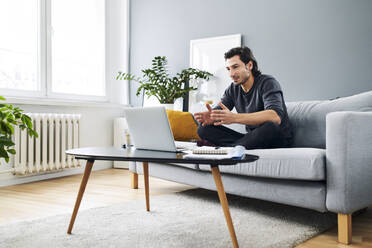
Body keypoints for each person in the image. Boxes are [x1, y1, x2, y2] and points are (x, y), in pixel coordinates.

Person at [194, 46, 292, 149]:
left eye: (235, 67)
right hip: (252, 137)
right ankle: (237, 146)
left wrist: (234, 118)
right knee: (203, 128)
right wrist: (212, 116)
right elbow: (220, 110)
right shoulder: (233, 89)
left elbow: (275, 117)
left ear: (249, 65)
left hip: (276, 138)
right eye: (228, 69)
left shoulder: (268, 83)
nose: (231, 74)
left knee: (270, 126)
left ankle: (232, 147)